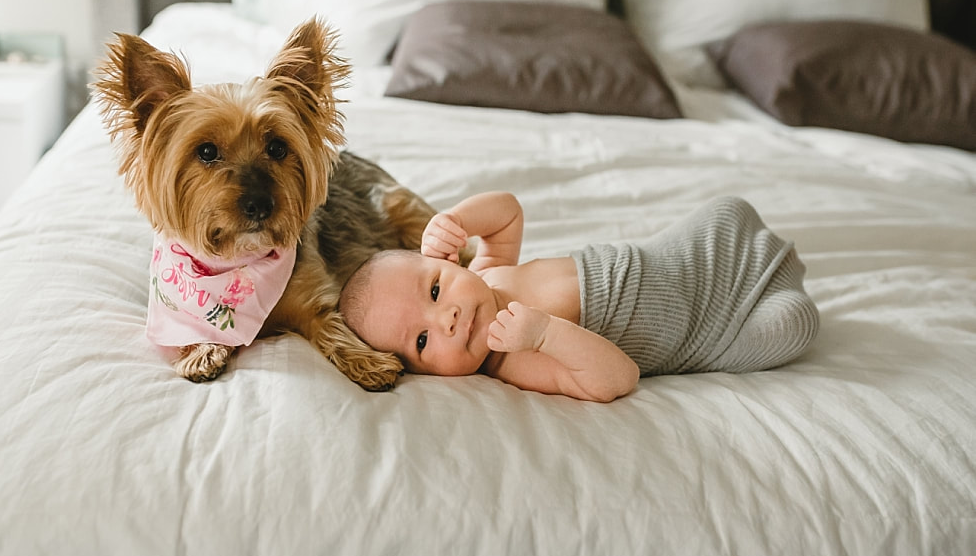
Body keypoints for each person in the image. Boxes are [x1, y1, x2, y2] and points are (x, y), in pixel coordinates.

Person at [338, 192, 819, 403]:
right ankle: (776, 287)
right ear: (423, 372)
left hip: (674, 261)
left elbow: (508, 215)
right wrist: (545, 334)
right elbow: (618, 378)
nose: (447, 319)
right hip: (702, 327)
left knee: (728, 209)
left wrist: (458, 219)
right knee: (791, 325)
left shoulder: (485, 271)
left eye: (436, 290)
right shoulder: (513, 357)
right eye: (422, 342)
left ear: (447, 263)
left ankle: (763, 257)